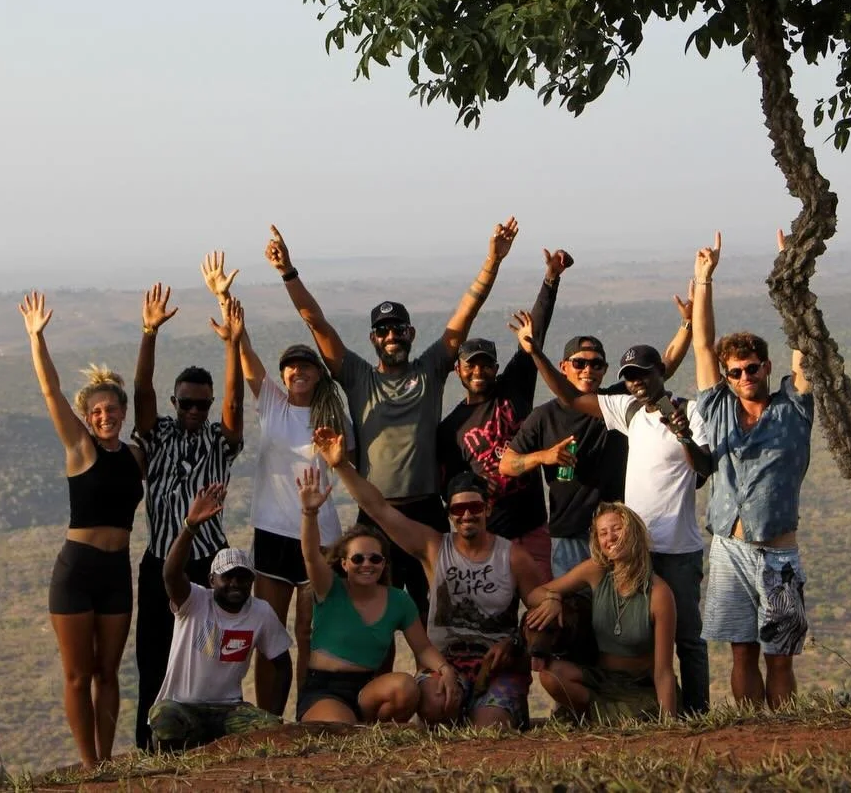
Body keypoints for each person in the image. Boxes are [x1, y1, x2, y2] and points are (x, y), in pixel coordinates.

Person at [266, 219, 518, 619]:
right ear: (373, 339)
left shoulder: (430, 370)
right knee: (373, 615)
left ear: (411, 333)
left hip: (425, 513)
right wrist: (288, 272)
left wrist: (492, 262)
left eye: (397, 329)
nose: (390, 336)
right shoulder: (356, 376)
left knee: (433, 612)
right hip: (374, 513)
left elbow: (466, 313)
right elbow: (316, 322)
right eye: (382, 331)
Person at [512, 310, 713, 716]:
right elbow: (570, 396)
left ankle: (695, 714)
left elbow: (704, 470)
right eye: (631, 375)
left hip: (676, 548)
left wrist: (684, 435)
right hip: (628, 550)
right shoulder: (629, 410)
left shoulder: (692, 412)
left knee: (687, 639)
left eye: (643, 373)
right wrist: (535, 353)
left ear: (662, 372)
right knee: (604, 632)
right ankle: (602, 708)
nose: (637, 381)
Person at [312, 428, 546, 729]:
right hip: (445, 663)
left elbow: (537, 610)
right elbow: (379, 509)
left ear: (487, 508)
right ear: (450, 514)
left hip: (499, 665)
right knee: (436, 706)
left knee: (490, 729)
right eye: (458, 509)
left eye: (474, 507)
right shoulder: (435, 547)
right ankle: (459, 712)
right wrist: (342, 465)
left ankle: (492, 711)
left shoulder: (512, 556)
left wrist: (517, 638)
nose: (467, 516)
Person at [19, 291, 143, 769]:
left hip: (117, 570)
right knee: (78, 674)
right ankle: (89, 764)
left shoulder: (135, 456)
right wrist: (37, 339)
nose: (105, 416)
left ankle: (107, 761)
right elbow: (50, 390)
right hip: (77, 570)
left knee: (109, 673)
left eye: (112, 409)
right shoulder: (80, 448)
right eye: (96, 411)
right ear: (87, 417)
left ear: (122, 412)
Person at [692, 231, 813, 708]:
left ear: (767, 366)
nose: (747, 377)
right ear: (727, 375)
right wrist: (704, 280)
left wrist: (791, 270)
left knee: (778, 656)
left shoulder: (794, 407)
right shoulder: (718, 406)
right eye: (737, 371)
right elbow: (703, 345)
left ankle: (783, 734)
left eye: (754, 368)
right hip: (727, 548)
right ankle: (751, 733)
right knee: (740, 652)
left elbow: (803, 343)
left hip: (777, 554)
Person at [131, 260, 245, 750]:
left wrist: (233, 345)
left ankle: (202, 742)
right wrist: (149, 333)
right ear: (175, 403)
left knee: (205, 658)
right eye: (187, 403)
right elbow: (140, 392)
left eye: (202, 403)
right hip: (160, 561)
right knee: (153, 657)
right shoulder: (157, 436)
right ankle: (148, 747)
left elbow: (235, 407)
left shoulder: (219, 442)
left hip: (209, 565)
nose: (196, 411)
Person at [500, 295, 694, 580]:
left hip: (618, 533)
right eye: (579, 363)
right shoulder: (544, 417)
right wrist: (545, 456)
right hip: (569, 535)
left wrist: (688, 323)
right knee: (574, 612)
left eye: (596, 364)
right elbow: (506, 464)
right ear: (563, 366)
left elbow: (665, 365)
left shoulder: (616, 402)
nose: (587, 370)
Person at [228, 279, 355, 707]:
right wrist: (226, 303)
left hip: (319, 535)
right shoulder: (273, 406)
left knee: (307, 632)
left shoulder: (334, 418)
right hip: (272, 529)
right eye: (290, 366)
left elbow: (347, 464)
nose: (297, 371)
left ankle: (307, 713)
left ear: (319, 374)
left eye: (306, 365)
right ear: (283, 375)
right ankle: (269, 718)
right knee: (271, 631)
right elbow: (245, 357)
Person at [437, 247, 571, 580]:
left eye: (486, 364)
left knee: (545, 610)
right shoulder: (451, 428)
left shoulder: (514, 389)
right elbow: (451, 487)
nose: (479, 371)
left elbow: (532, 339)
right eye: (472, 365)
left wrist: (551, 280)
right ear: (459, 371)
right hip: (492, 535)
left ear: (496, 368)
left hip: (534, 526)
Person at [295, 466, 458, 723]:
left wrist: (445, 668)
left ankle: (374, 731)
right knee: (338, 730)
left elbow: (423, 646)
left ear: (384, 564)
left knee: (406, 689)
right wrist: (310, 512)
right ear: (344, 563)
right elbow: (311, 556)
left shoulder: (397, 600)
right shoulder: (330, 588)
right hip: (325, 689)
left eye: (375, 558)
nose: (367, 564)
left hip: (366, 688)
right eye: (358, 558)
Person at [149, 483, 292, 750]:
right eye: (228, 577)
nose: (236, 583)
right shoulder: (194, 601)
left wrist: (274, 713)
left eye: (243, 577)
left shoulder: (260, 612)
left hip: (229, 710)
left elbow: (282, 663)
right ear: (212, 580)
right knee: (165, 719)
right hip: (183, 705)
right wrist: (190, 526)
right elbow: (170, 574)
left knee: (272, 731)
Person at [525, 503, 680, 722]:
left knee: (639, 718)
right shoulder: (596, 570)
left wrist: (669, 723)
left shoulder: (659, 594)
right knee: (551, 677)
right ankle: (595, 716)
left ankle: (601, 719)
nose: (611, 537)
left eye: (617, 529)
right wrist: (552, 598)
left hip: (638, 686)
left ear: (633, 532)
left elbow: (663, 670)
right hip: (601, 679)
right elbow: (534, 595)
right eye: (603, 533)